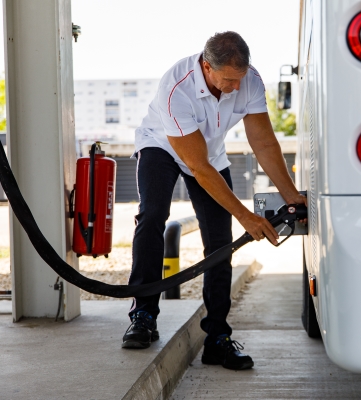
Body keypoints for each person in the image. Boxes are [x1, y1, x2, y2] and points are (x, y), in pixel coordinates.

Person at [121, 31, 306, 371]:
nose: (236, 87)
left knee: (220, 243)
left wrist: (293, 196)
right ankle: (144, 314)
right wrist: (246, 216)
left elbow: (263, 143)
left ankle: (217, 338)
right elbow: (197, 167)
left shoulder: (248, 80)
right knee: (153, 215)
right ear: (207, 67)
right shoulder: (177, 88)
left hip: (211, 154)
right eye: (229, 81)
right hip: (164, 147)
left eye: (240, 79)